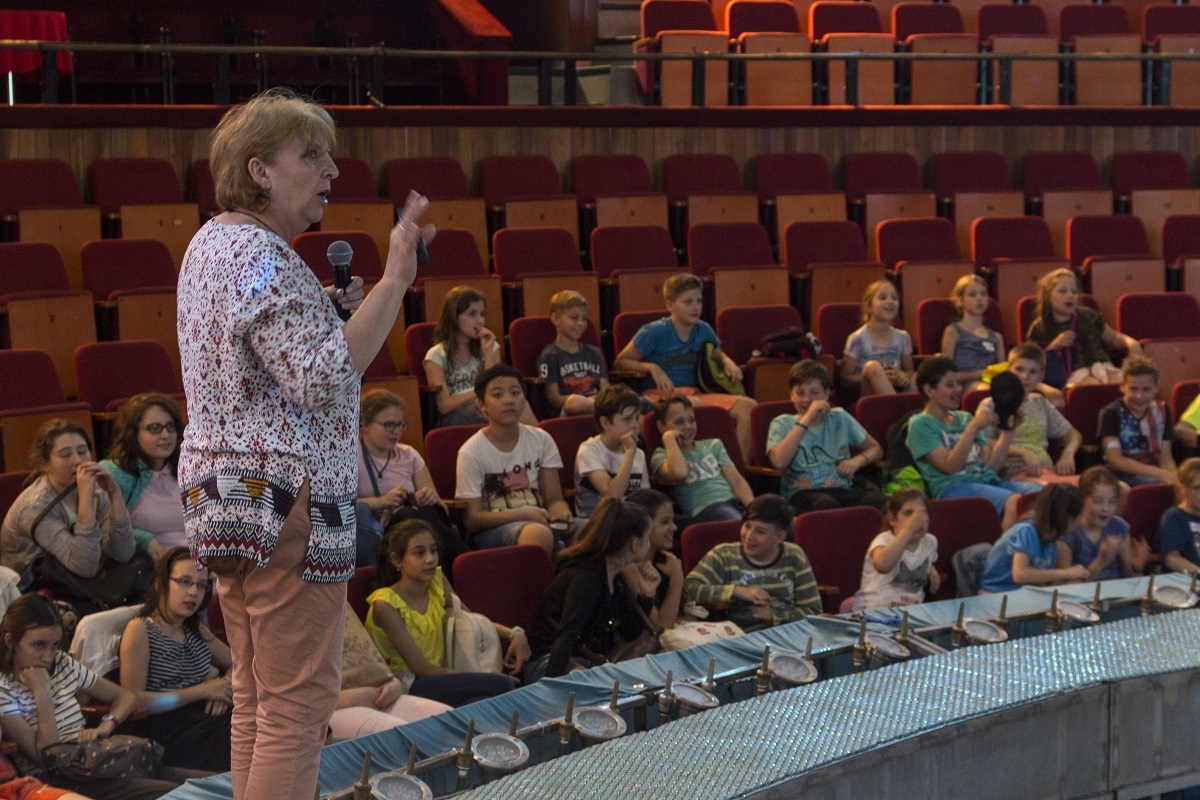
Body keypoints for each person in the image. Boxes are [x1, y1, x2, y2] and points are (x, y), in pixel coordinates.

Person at [176, 88, 430, 800]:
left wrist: (327, 310)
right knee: (298, 705)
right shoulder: (265, 255)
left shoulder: (209, 244)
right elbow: (321, 378)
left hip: (224, 496)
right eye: (311, 155)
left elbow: (273, 358)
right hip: (289, 496)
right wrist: (396, 279)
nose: (332, 170)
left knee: (257, 694)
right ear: (259, 171)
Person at [0, 594, 178, 800]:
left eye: (55, 645)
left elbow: (126, 697)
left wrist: (106, 725)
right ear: (10, 640)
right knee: (173, 793)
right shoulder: (4, 691)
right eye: (39, 645)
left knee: (199, 783)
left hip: (94, 760)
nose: (48, 657)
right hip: (61, 779)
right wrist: (43, 694)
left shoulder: (62, 664)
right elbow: (46, 757)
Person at [364, 520, 522, 706]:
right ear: (397, 560)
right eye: (420, 553)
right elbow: (422, 669)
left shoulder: (437, 582)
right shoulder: (385, 604)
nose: (430, 559)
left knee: (479, 701)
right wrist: (481, 678)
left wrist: (515, 634)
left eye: (433, 550)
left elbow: (471, 618)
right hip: (406, 684)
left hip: (438, 676)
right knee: (500, 685)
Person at [0, 420, 145, 611]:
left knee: (148, 590)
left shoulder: (97, 492)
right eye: (66, 455)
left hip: (79, 582)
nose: (78, 460)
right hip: (33, 591)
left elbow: (122, 553)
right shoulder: (34, 506)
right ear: (45, 464)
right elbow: (84, 566)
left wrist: (114, 494)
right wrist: (86, 498)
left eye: (83, 451)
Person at [612, 273, 756, 463]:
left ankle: (737, 469)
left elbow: (716, 352)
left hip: (695, 392)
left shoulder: (703, 329)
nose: (696, 307)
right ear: (670, 305)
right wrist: (652, 367)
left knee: (749, 406)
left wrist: (727, 360)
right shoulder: (653, 331)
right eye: (688, 302)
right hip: (661, 394)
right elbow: (621, 361)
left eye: (699, 301)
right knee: (691, 406)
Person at [118, 546, 232, 773]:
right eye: (184, 582)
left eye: (200, 585)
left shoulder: (194, 629)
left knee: (275, 723)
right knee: (253, 741)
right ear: (161, 583)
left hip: (204, 720)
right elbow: (132, 701)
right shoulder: (141, 629)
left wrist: (224, 690)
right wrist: (204, 690)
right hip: (169, 731)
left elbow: (235, 662)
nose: (193, 593)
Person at [524, 498, 653, 682]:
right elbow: (568, 633)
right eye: (647, 538)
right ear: (634, 544)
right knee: (590, 687)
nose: (649, 544)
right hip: (549, 660)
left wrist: (646, 595)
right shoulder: (587, 578)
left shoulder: (615, 576)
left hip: (585, 662)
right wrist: (552, 688)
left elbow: (630, 633)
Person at [906, 356, 1040, 531]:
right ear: (929, 390)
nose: (958, 390)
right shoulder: (920, 424)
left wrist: (1009, 431)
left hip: (987, 482)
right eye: (949, 385)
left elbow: (990, 467)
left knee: (1043, 495)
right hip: (952, 487)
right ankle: (1007, 555)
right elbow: (950, 467)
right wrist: (973, 427)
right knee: (1013, 501)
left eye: (959, 383)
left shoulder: (965, 417)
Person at [456, 365, 574, 554]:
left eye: (515, 393)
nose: (509, 400)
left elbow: (553, 499)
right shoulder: (471, 451)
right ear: (481, 405)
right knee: (538, 533)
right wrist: (523, 514)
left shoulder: (541, 439)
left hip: (540, 520)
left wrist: (561, 512)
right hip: (492, 531)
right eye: (497, 395)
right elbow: (472, 520)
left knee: (598, 530)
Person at [355, 389, 464, 572]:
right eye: (388, 425)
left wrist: (430, 497)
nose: (396, 432)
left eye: (400, 425)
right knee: (406, 516)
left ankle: (459, 567)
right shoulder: (346, 458)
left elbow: (442, 511)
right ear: (364, 425)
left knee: (426, 512)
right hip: (380, 535)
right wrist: (380, 502)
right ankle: (462, 567)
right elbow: (334, 508)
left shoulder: (409, 455)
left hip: (421, 531)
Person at [685, 494, 823, 631]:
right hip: (740, 634)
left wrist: (776, 617)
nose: (749, 536)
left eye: (760, 531)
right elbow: (689, 589)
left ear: (779, 537)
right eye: (747, 526)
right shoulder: (724, 555)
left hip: (786, 633)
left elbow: (813, 610)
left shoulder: (793, 556)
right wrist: (736, 591)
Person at [767, 359, 885, 513]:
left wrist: (857, 461)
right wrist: (807, 419)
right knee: (825, 505)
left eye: (814, 393)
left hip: (841, 488)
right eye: (800, 393)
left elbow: (876, 449)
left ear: (827, 393)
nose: (807, 399)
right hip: (802, 493)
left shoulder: (839, 417)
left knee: (879, 501)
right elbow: (778, 462)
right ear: (791, 396)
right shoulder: (782, 423)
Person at [425, 286, 536, 427]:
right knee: (494, 406)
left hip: (487, 403)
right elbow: (444, 405)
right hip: (455, 416)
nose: (480, 321)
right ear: (454, 317)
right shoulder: (436, 355)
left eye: (482, 314)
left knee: (518, 402)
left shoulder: (491, 347)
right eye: (472, 314)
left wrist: (488, 354)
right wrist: (479, 392)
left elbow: (497, 386)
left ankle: (542, 445)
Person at [977, 343, 1082, 484]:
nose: (1025, 376)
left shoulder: (1040, 402)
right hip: (1012, 473)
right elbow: (984, 440)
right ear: (1008, 370)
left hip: (1045, 471)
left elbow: (1073, 434)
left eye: (1032, 372)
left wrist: (1068, 453)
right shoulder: (991, 403)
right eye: (1019, 369)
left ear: (1041, 376)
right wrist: (1021, 452)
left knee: (1090, 490)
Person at [100, 393, 187, 561]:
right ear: (132, 433)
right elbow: (104, 530)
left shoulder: (188, 467)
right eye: (154, 428)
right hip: (149, 572)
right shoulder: (115, 473)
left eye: (170, 426)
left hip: (203, 568)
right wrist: (143, 539)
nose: (165, 435)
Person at [1025, 268, 1141, 389]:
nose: (1070, 295)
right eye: (1063, 291)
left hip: (1103, 366)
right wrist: (1054, 346)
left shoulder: (1088, 315)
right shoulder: (1040, 326)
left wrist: (1132, 344)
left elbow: (1114, 338)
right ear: (1048, 296)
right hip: (1073, 375)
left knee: (1126, 385)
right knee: (1093, 388)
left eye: (1074, 292)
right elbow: (1030, 360)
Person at [650, 394, 754, 523]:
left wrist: (754, 509)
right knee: (735, 520)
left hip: (734, 503)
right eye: (679, 422)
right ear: (661, 426)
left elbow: (736, 481)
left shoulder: (713, 445)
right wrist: (669, 439)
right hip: (705, 511)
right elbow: (679, 474)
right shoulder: (661, 455)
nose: (688, 426)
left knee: (772, 517)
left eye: (692, 420)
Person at [979, 483, 1089, 593]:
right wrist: (1068, 572)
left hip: (1022, 594)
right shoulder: (1025, 531)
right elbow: (1020, 575)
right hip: (995, 593)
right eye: (1080, 517)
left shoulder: (1051, 539)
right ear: (1070, 520)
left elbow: (1040, 580)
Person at [852, 489, 939, 611]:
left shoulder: (930, 542)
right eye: (908, 514)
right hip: (875, 611)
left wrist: (930, 568)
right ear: (892, 520)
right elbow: (882, 565)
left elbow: (916, 559)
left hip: (911, 613)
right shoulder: (884, 539)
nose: (916, 520)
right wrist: (908, 531)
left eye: (922, 513)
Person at [1057, 467, 1147, 581]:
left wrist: (1137, 567)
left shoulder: (1119, 527)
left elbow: (1130, 579)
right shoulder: (1069, 532)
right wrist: (1100, 562)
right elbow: (1065, 587)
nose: (1106, 509)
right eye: (1098, 501)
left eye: (1112, 502)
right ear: (1082, 499)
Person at [1099, 355, 1176, 486]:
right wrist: (1161, 474)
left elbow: (1166, 458)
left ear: (1156, 388)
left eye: (1146, 389)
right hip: (1121, 476)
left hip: (1155, 472)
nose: (1139, 396)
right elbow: (1115, 459)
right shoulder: (1111, 414)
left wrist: (1175, 479)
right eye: (1133, 389)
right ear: (1123, 387)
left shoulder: (1162, 411)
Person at [573, 384, 648, 519]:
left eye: (637, 418)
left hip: (630, 520)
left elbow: (644, 499)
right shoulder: (589, 450)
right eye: (627, 419)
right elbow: (612, 497)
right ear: (605, 422)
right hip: (598, 523)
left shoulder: (638, 453)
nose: (635, 425)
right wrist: (630, 453)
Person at [535, 290, 609, 416]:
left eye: (584, 318)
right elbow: (554, 398)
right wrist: (587, 402)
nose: (581, 323)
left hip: (598, 405)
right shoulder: (549, 356)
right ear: (556, 319)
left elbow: (606, 390)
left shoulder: (595, 353)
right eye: (574, 318)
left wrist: (595, 401)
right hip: (569, 411)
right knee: (574, 403)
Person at [840, 279, 915, 397]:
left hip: (898, 388)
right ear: (869, 307)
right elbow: (845, 378)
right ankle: (898, 409)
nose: (890, 301)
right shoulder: (858, 339)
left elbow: (910, 371)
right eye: (883, 297)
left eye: (894, 298)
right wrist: (879, 377)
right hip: (869, 394)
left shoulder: (903, 337)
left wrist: (903, 375)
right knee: (873, 367)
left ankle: (908, 410)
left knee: (918, 376)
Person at [624, 489, 686, 630]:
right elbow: (661, 626)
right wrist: (676, 579)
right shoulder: (627, 568)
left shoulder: (666, 562)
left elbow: (682, 615)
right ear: (642, 525)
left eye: (672, 520)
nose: (674, 527)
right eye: (665, 522)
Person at [941, 274, 1004, 392]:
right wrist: (979, 374)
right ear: (959, 301)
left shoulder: (996, 337)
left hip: (993, 384)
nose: (979, 298)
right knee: (986, 391)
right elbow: (947, 374)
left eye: (983, 294)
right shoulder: (953, 331)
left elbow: (1002, 372)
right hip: (964, 385)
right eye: (972, 294)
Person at [1154, 457, 1200, 574]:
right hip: (1188, 581)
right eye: (1198, 488)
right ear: (1183, 489)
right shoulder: (1174, 517)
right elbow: (1172, 559)